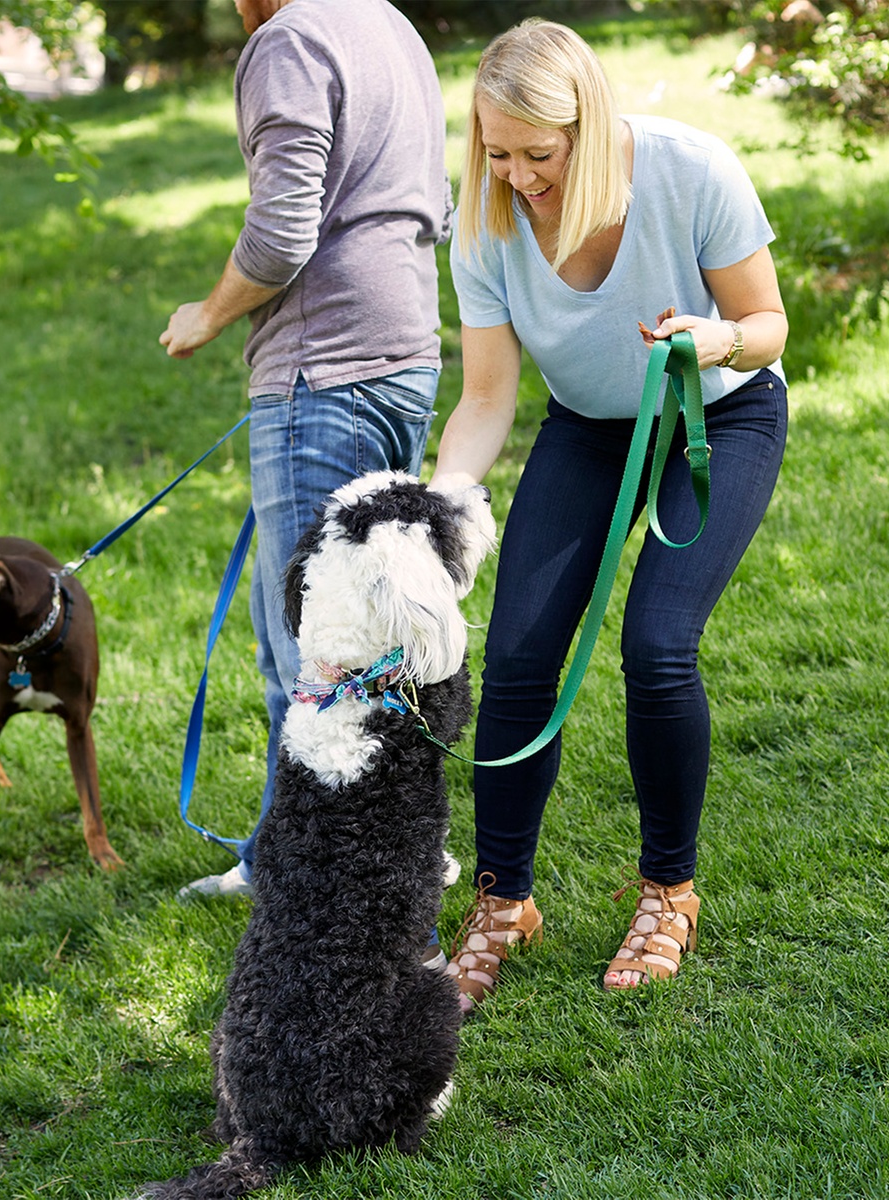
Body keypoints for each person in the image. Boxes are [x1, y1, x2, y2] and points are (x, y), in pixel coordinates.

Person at [430, 18, 789, 1004]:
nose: (516, 176)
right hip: (590, 428)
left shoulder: (690, 169)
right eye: (495, 152)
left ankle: (669, 892)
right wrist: (442, 505)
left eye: (537, 154)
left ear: (586, 127)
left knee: (659, 643)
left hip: (719, 417)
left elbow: (769, 324)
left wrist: (717, 341)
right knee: (515, 655)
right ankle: (504, 900)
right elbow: (487, 397)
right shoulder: (487, 216)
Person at [160, 0, 454, 901]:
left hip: (324, 372)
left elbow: (284, 229)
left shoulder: (287, 39)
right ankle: (299, 856)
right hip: (404, 352)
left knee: (316, 656)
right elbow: (433, 204)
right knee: (353, 636)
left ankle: (356, 878)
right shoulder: (385, 22)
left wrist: (207, 316)